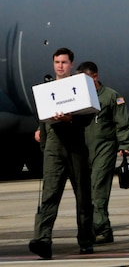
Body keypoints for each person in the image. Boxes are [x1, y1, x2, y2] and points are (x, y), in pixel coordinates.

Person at [29, 48, 95, 259]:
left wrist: (71, 119)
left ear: (72, 64)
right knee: (49, 195)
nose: (60, 66)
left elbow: (89, 116)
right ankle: (42, 240)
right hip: (54, 149)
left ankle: (85, 240)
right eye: (57, 62)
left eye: (64, 62)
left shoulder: (80, 86)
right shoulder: (46, 89)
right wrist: (43, 139)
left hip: (76, 146)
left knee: (83, 196)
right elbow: (43, 118)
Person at [79, 61, 129, 245]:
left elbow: (123, 122)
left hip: (105, 148)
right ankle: (93, 228)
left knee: (98, 189)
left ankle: (101, 228)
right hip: (84, 150)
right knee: (85, 192)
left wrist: (126, 145)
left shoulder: (111, 97)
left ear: (95, 77)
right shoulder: (79, 98)